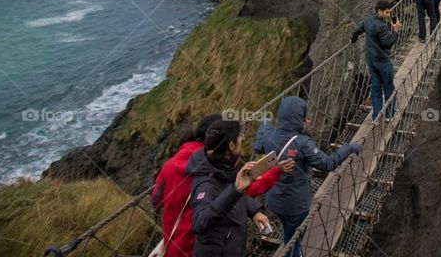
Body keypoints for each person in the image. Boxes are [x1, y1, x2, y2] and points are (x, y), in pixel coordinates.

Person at [261, 96, 362, 257]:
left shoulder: (268, 136)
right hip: (296, 205)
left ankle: (293, 249)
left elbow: (258, 144)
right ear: (298, 120)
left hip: (273, 201)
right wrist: (349, 147)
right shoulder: (303, 143)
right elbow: (328, 164)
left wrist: (264, 119)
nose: (307, 120)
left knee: (289, 231)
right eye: (304, 117)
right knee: (293, 238)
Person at [188, 119, 290, 257]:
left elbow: (230, 194)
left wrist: (253, 211)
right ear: (231, 145)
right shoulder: (205, 184)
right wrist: (236, 188)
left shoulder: (222, 166)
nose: (242, 139)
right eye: (240, 137)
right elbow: (200, 223)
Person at [152, 114, 221, 257]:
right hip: (205, 242)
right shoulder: (215, 166)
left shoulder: (169, 165)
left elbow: (156, 200)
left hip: (174, 242)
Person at [350, 0, 401, 121]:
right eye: (387, 13)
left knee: (376, 86)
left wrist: (352, 39)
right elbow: (387, 44)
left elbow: (357, 31)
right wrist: (395, 31)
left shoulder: (368, 19)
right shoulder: (382, 27)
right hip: (383, 61)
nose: (389, 15)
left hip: (371, 60)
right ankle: (390, 114)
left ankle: (376, 117)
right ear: (379, 11)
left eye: (390, 13)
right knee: (388, 86)